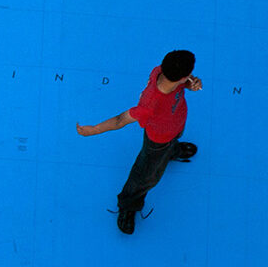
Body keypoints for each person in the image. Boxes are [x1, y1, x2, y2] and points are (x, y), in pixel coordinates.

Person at [76, 49, 202, 234]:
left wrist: (190, 85)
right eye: (189, 74)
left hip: (175, 127)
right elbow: (121, 120)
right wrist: (93, 130)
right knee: (145, 177)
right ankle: (128, 205)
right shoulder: (150, 104)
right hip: (157, 142)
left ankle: (172, 151)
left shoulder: (164, 72)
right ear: (181, 77)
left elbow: (183, 84)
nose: (192, 76)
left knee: (171, 143)